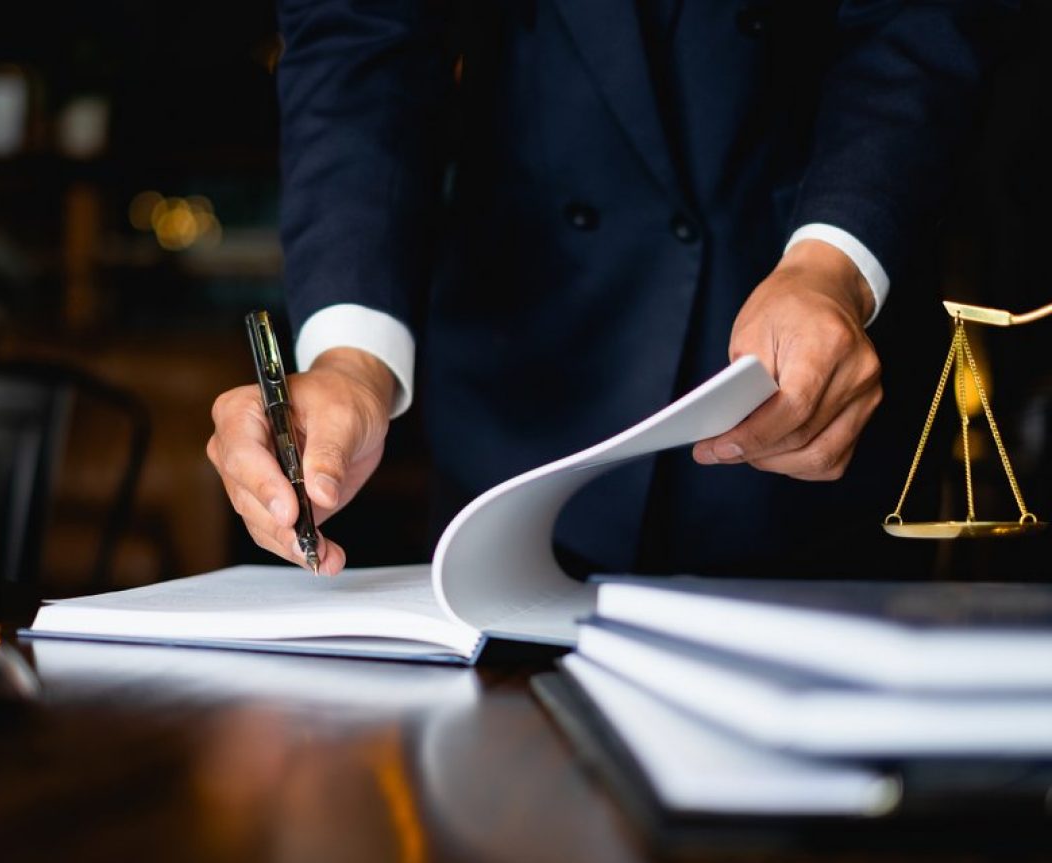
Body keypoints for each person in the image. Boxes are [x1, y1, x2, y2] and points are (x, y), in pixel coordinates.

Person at [209, 0, 1008, 579]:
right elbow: (360, 37)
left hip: (805, 385)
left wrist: (832, 264)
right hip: (522, 402)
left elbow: (916, 21)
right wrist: (351, 361)